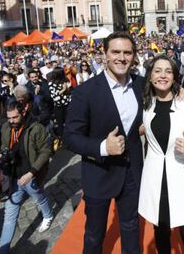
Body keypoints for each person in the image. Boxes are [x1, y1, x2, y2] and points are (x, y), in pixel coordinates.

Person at [64, 32, 145, 254]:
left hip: (132, 171)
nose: (121, 57)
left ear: (134, 56)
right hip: (98, 173)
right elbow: (70, 137)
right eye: (116, 52)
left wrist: (183, 92)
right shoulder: (85, 91)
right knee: (94, 234)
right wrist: (102, 148)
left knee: (131, 226)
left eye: (127, 52)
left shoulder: (141, 84)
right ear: (105, 55)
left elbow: (167, 90)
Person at [139, 54, 184, 253]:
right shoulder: (145, 103)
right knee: (161, 237)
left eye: (168, 71)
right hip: (155, 183)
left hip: (183, 180)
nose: (163, 76)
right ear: (150, 76)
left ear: (175, 76)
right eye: (158, 71)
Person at [0, 101, 53, 254]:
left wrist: (31, 173)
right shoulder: (6, 127)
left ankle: (48, 215)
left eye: (15, 117)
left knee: (39, 197)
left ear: (23, 113)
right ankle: (3, 250)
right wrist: (1, 153)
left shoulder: (37, 128)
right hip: (13, 177)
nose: (11, 121)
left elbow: (46, 152)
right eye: (9, 118)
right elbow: (4, 146)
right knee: (9, 215)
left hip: (31, 175)